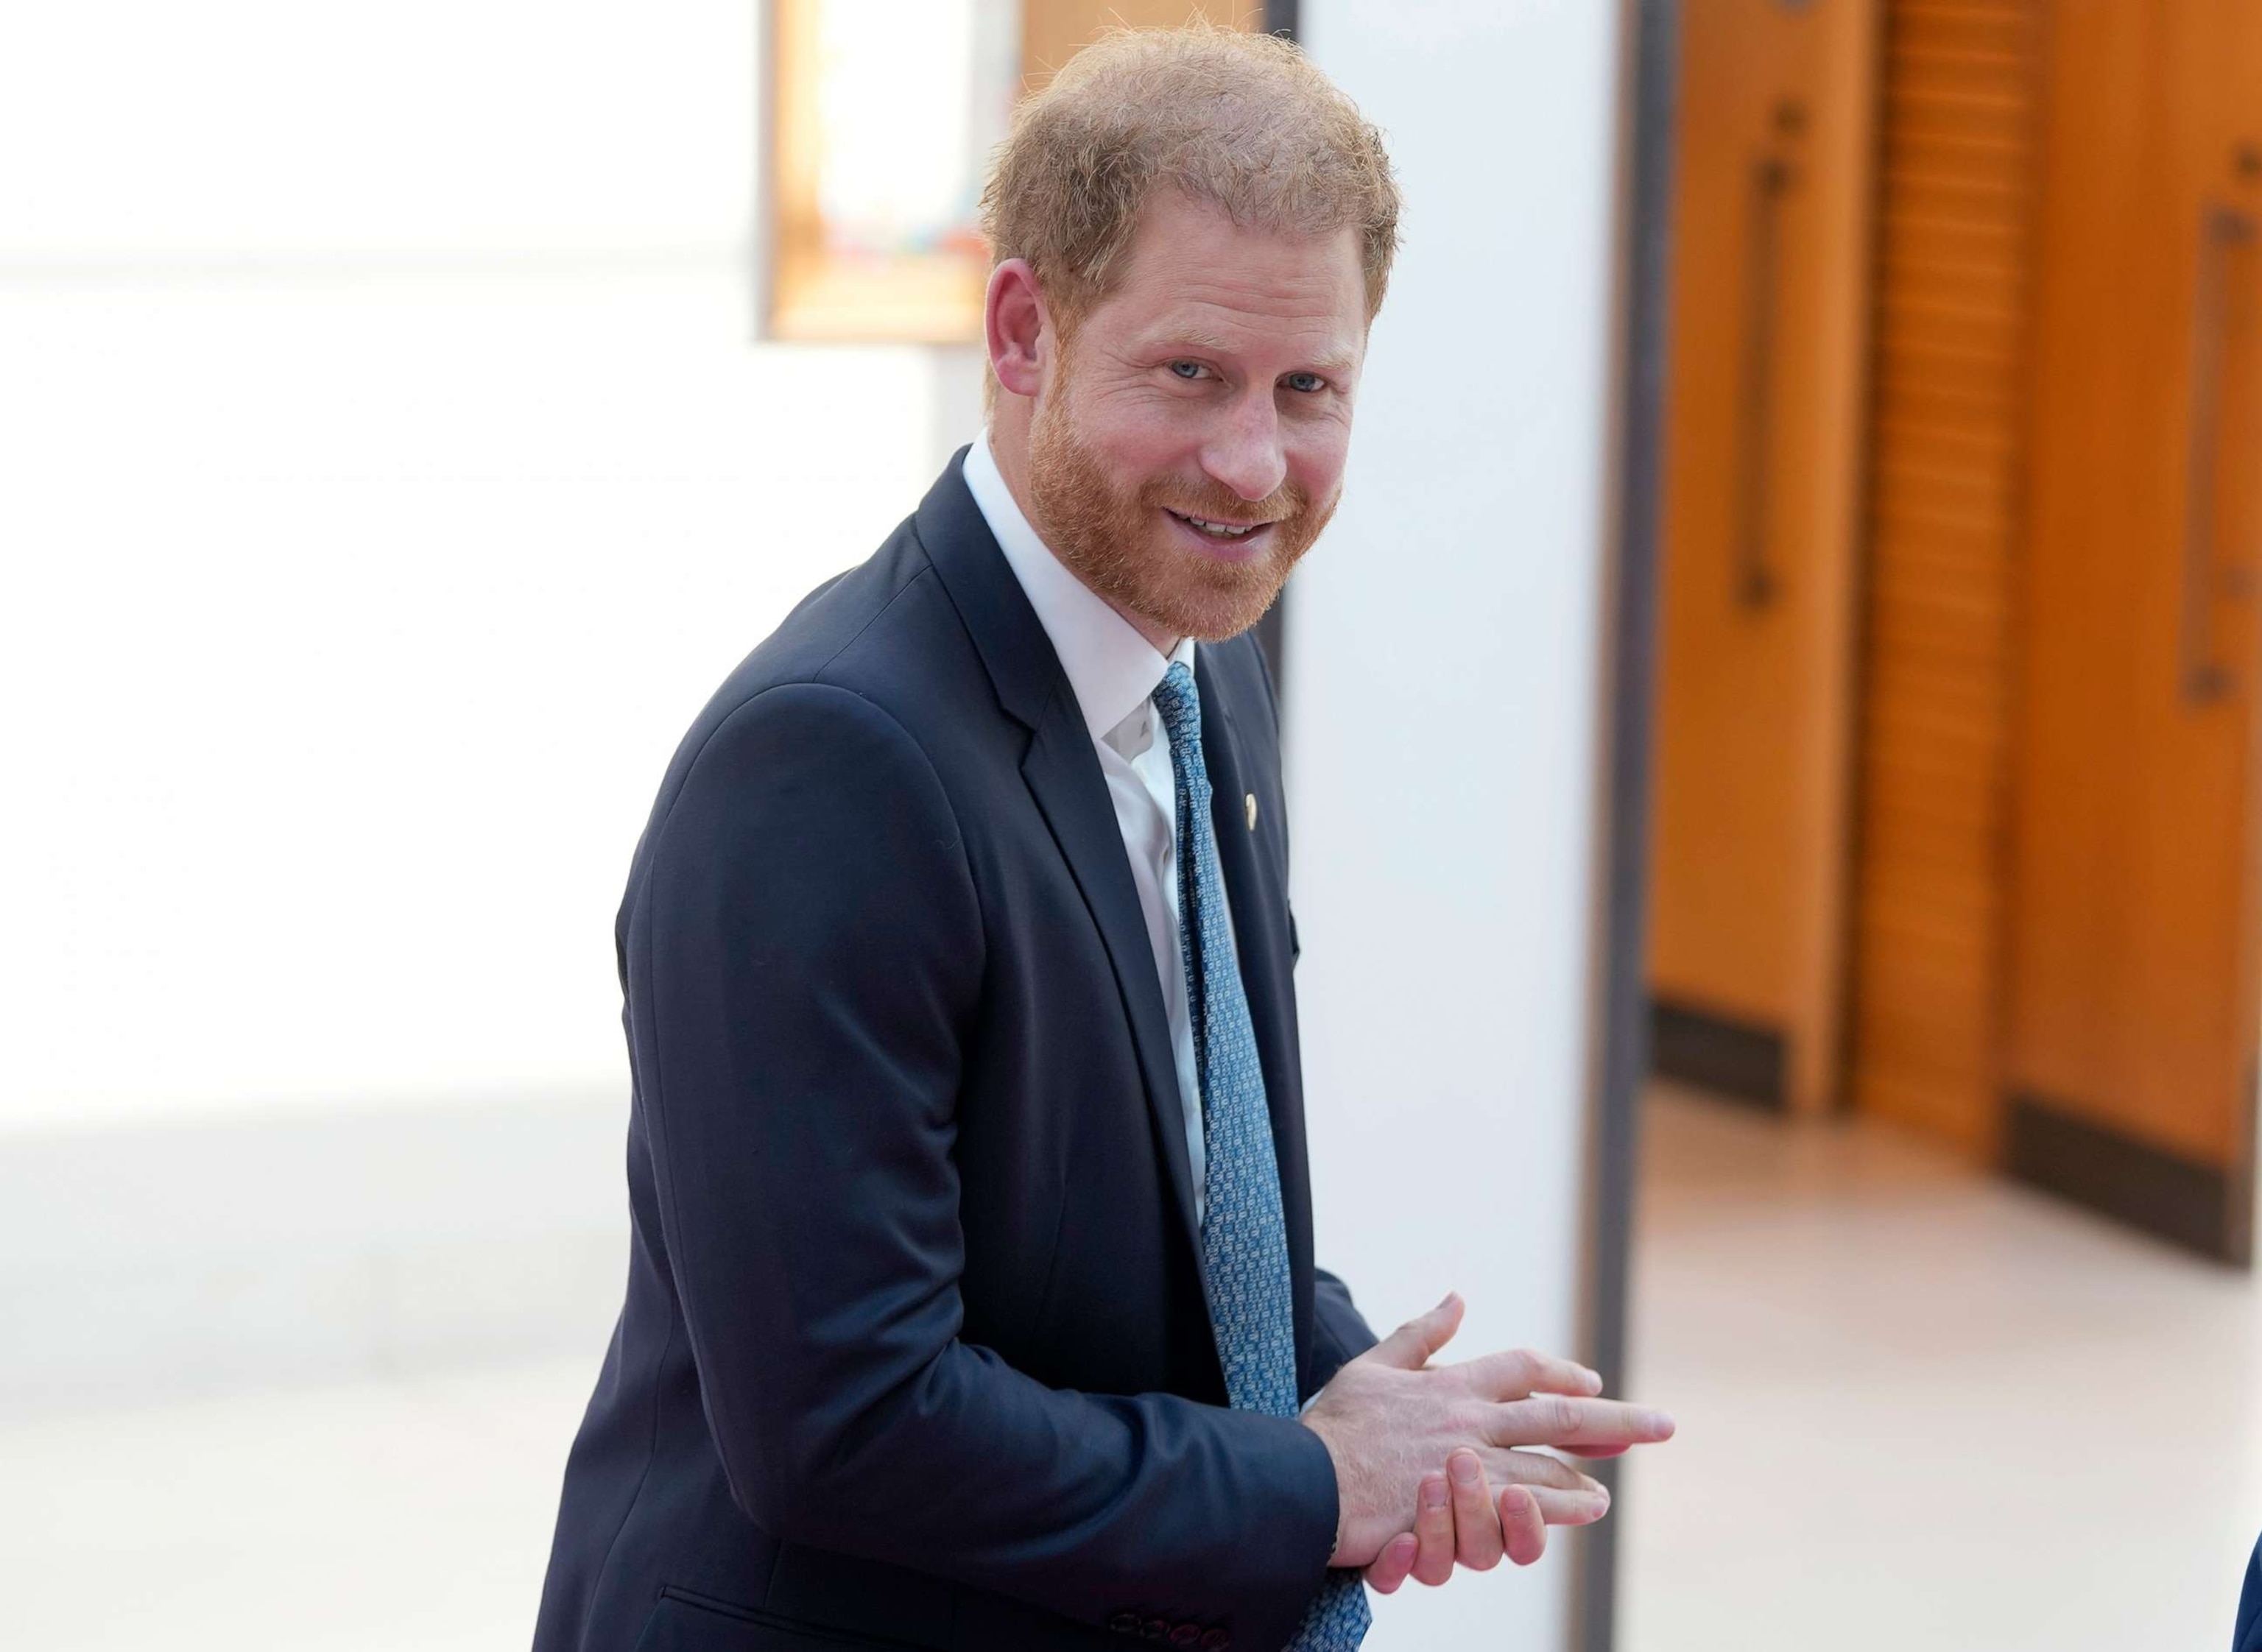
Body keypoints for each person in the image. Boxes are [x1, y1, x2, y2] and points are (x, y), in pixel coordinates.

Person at [532, 24, 1672, 1652]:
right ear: (1022, 332)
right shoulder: (827, 765)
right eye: (1190, 375)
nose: (1253, 465)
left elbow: (1180, 1199)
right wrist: (1313, 1482)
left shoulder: (1203, 665)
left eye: (1310, 390)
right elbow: (847, 1425)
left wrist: (1356, 1392)